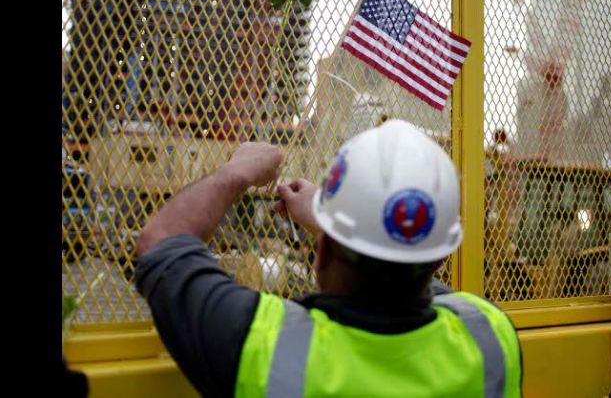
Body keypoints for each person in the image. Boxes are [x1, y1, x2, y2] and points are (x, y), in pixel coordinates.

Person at [136, 119, 523, 397]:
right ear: (440, 259)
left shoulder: (268, 346)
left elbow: (160, 240)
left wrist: (237, 170)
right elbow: (403, 275)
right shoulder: (490, 334)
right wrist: (334, 225)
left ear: (322, 251)